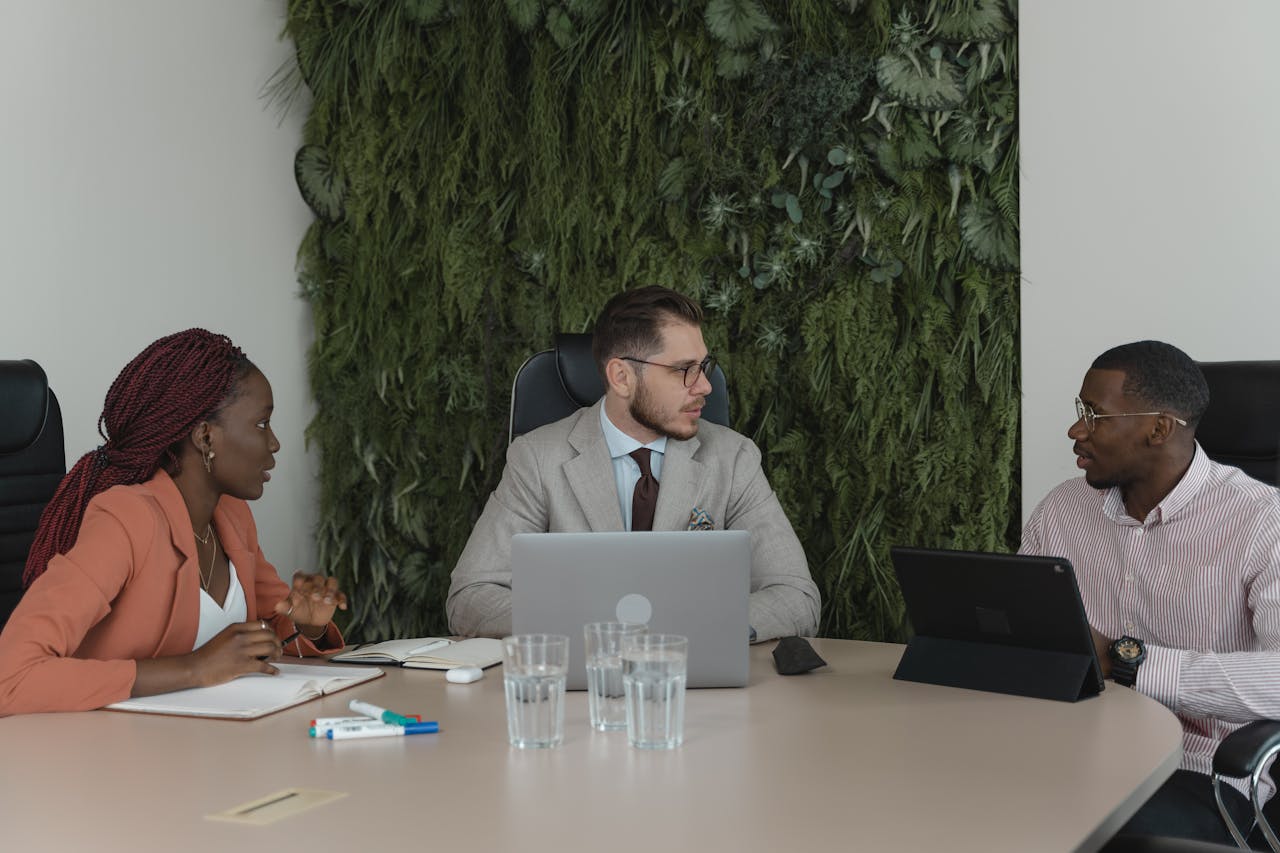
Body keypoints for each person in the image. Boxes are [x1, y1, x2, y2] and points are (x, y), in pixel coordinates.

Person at [0, 329, 348, 716]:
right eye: (261, 425)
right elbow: (9, 677)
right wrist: (193, 668)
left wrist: (308, 624)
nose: (275, 443)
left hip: (209, 750)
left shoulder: (232, 516)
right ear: (205, 437)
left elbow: (270, 633)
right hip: (107, 759)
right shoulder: (126, 520)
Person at [447, 285, 821, 640]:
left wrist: (706, 630)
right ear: (622, 377)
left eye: (704, 366)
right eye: (682, 370)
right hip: (579, 690)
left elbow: (795, 596)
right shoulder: (537, 459)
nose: (705, 386)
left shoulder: (734, 458)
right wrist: (591, 631)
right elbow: (471, 596)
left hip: (699, 688)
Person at [1020, 340, 1280, 844]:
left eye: (1095, 415)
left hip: (1196, 772)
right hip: (1063, 753)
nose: (1077, 431)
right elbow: (1027, 633)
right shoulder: (1061, 510)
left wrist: (1126, 661)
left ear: (1159, 428)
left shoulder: (1262, 520)